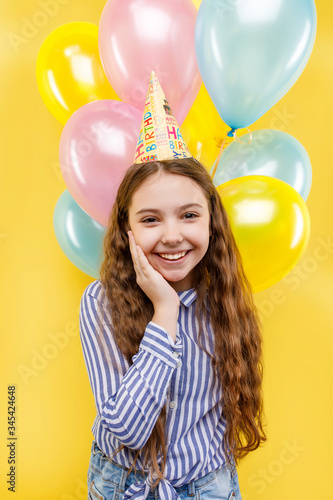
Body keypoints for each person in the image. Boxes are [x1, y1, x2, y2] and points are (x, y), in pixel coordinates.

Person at [79, 72, 267, 500]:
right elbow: (127, 428)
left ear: (211, 221)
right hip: (126, 483)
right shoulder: (101, 303)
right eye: (150, 219)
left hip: (209, 483)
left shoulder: (224, 294)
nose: (172, 236)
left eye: (188, 215)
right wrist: (165, 313)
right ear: (125, 229)